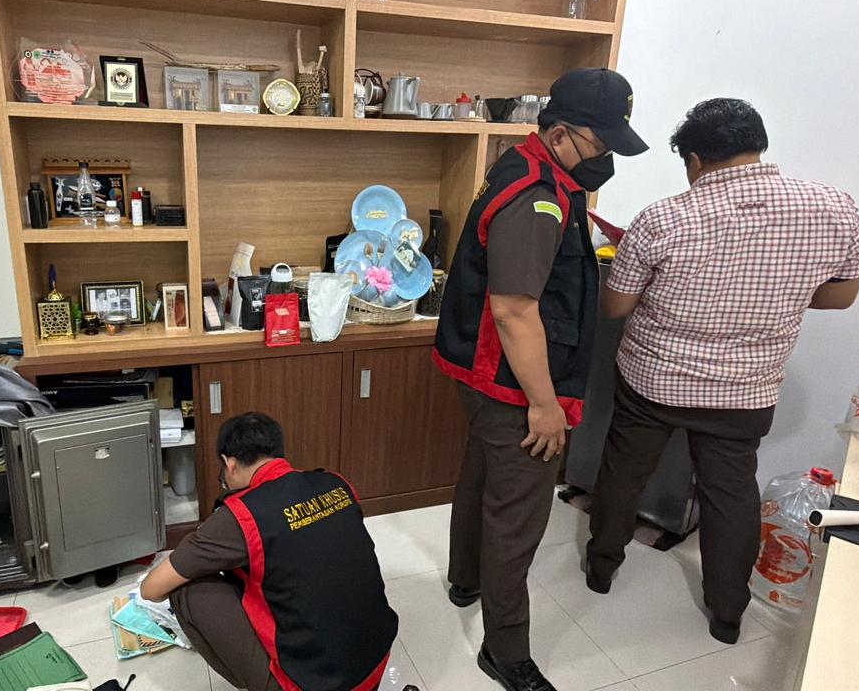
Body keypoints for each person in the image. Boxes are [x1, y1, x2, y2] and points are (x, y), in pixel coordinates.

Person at [585, 98, 859, 644]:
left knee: (624, 472)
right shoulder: (834, 208)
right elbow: (841, 296)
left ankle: (601, 569)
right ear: (757, 146)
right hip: (746, 390)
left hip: (653, 382)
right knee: (730, 493)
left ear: (693, 160)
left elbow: (615, 307)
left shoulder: (662, 218)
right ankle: (728, 613)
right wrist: (774, 294)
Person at [433, 67, 648, 691]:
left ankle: (465, 579)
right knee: (518, 516)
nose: (605, 158)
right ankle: (505, 651)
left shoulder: (530, 167)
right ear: (558, 134)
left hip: (487, 373)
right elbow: (513, 310)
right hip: (513, 381)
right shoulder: (537, 198)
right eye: (598, 144)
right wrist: (545, 405)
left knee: (483, 474)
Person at [140, 412, 399, 691]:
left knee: (185, 587)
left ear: (230, 463)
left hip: (312, 684)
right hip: (375, 664)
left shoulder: (240, 515)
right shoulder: (336, 483)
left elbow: (151, 589)